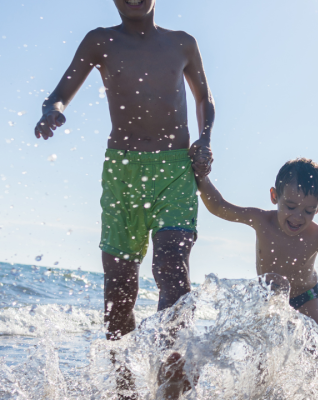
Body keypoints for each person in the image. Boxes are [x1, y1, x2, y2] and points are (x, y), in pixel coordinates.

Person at [33, 0, 215, 397]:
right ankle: (125, 388)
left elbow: (204, 99)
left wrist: (205, 139)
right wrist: (53, 112)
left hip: (174, 169)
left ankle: (171, 378)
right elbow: (60, 92)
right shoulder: (100, 42)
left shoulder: (182, 44)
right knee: (119, 289)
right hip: (122, 173)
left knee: (172, 268)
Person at [197, 158, 318, 330]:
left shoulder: (317, 236)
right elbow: (219, 207)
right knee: (261, 349)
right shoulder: (261, 220)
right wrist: (202, 177)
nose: (297, 217)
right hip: (268, 298)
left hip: (305, 297)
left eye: (308, 211)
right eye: (290, 207)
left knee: (315, 353)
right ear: (274, 196)